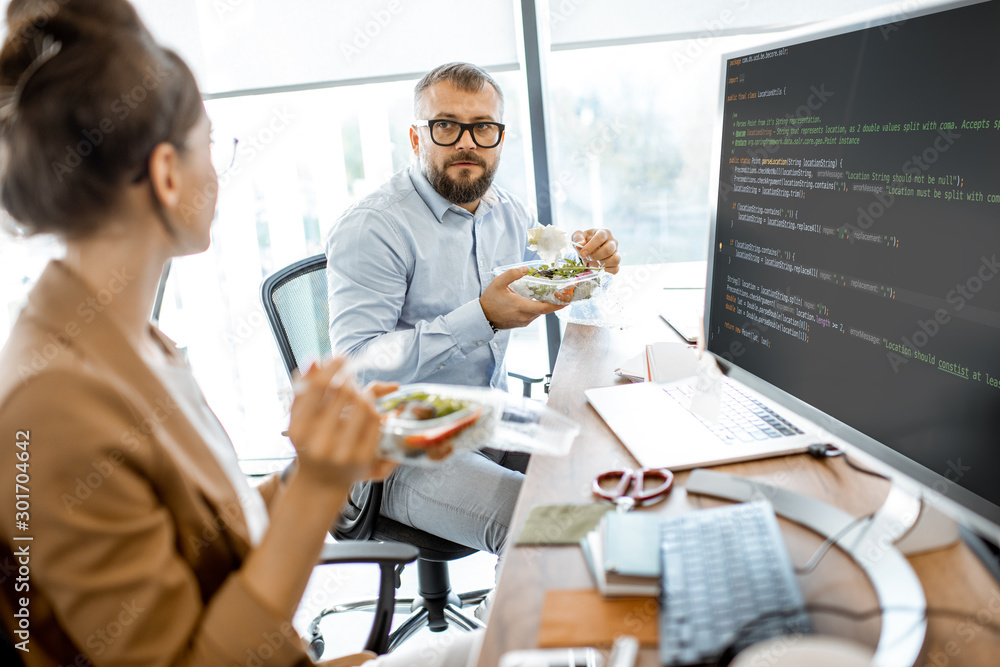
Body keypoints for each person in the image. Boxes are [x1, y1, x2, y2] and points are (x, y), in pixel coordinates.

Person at [0, 2, 477, 665]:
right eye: (210, 144)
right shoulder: (55, 401)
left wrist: (315, 470)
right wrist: (315, 491)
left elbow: (208, 541)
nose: (218, 172)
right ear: (167, 175)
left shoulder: (132, 339)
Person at [325, 63, 622, 593]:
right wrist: (479, 318)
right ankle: (501, 643)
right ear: (417, 136)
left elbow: (530, 288)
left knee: (597, 477)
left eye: (483, 127)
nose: (467, 142)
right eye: (446, 125)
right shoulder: (373, 226)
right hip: (391, 450)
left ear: (500, 138)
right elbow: (359, 368)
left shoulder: (506, 211)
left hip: (485, 416)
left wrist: (582, 266)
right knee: (540, 524)